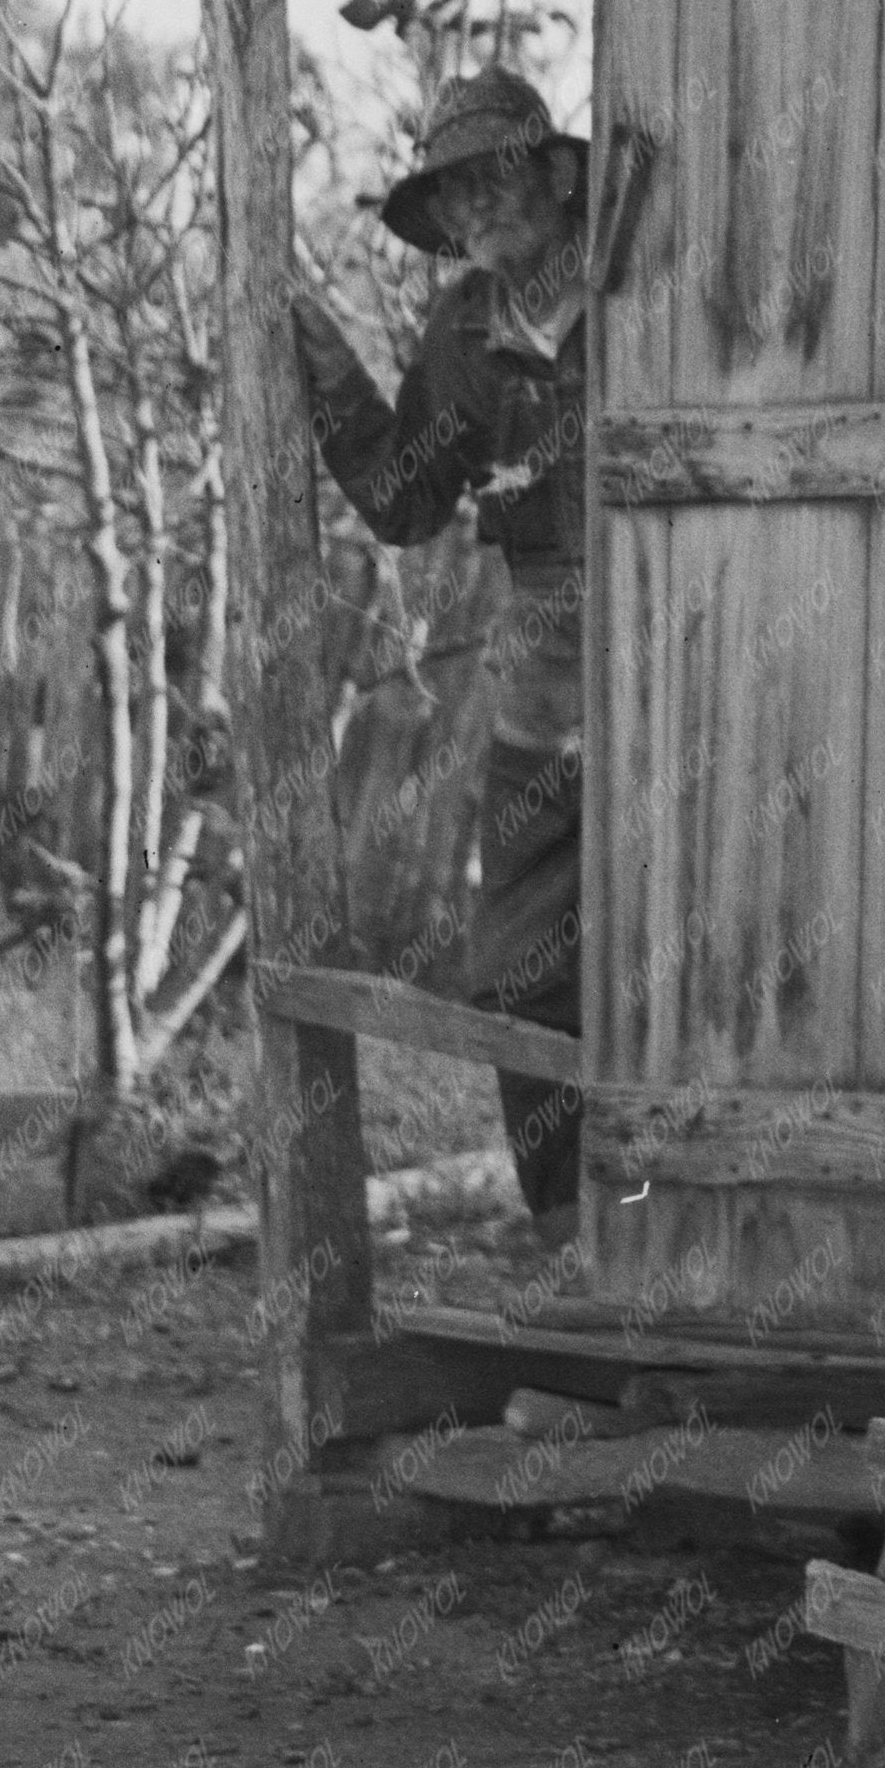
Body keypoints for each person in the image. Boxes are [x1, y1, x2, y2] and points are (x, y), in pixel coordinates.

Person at [289, 68, 595, 1235]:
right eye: (450, 196)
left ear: (557, 172)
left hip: (689, 658)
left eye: (489, 178)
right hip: (545, 683)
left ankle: (678, 1225)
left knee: (688, 945)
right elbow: (407, 499)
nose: (471, 210)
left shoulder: (641, 286)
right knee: (521, 969)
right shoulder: (464, 330)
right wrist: (325, 362)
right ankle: (570, 1231)